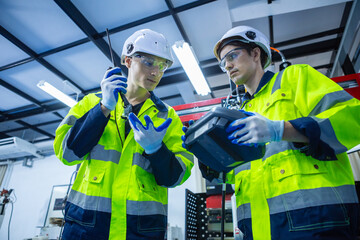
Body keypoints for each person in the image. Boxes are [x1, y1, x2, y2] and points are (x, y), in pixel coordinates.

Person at [186, 25, 360, 240]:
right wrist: (206, 152)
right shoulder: (239, 115)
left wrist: (281, 130)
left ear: (256, 53)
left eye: (232, 55)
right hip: (258, 229)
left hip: (315, 221)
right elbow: (236, 172)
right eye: (223, 62)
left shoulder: (295, 78)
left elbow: (353, 120)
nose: (228, 65)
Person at [54, 29, 194, 240]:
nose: (156, 72)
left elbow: (175, 177)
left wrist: (156, 151)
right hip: (86, 227)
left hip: (140, 231)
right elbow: (67, 153)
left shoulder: (168, 116)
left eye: (162, 65)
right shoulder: (91, 103)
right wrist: (103, 108)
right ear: (128, 61)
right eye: (148, 62)